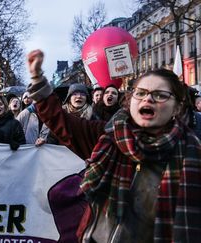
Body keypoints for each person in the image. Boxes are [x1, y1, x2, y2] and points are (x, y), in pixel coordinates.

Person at [28, 49, 201, 242]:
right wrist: (38, 80)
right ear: (130, 101)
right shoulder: (108, 136)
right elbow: (60, 121)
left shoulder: (191, 155)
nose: (148, 99)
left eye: (160, 95)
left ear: (177, 107)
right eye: (141, 93)